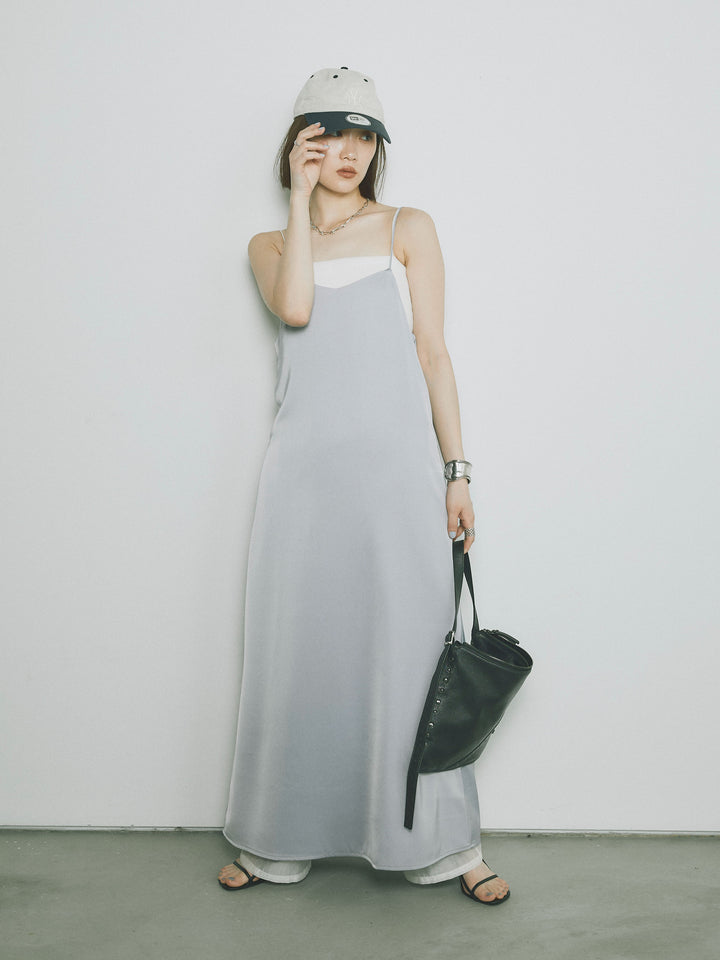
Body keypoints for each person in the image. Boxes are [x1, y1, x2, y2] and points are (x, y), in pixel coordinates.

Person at [217, 66, 510, 905]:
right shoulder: (270, 246)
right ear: (299, 146)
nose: (348, 153)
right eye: (328, 137)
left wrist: (457, 471)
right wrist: (299, 201)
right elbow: (297, 309)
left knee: (413, 656)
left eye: (363, 137)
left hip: (397, 476)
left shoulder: (408, 227)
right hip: (303, 480)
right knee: (296, 651)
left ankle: (443, 848)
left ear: (378, 147)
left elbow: (434, 353)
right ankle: (277, 842)